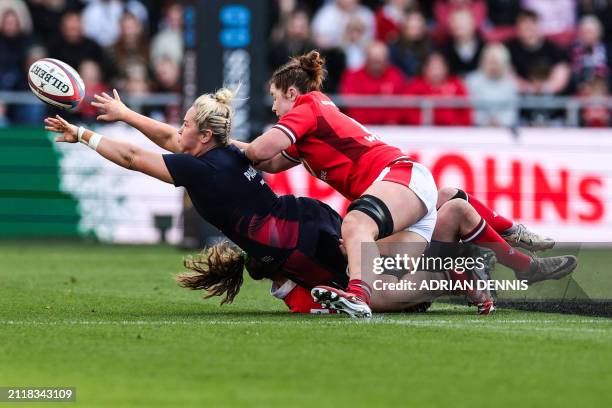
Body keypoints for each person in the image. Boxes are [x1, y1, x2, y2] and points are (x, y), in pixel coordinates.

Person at [241, 50, 572, 317]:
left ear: (292, 93)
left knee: (355, 225)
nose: (273, 107)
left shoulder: (306, 105)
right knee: (450, 206)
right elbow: (266, 162)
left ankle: (358, 295)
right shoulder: (306, 135)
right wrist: (219, 146)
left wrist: (215, 141)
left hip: (398, 176)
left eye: (274, 97)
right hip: (404, 184)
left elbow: (258, 150)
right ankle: (486, 269)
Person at [339, 41, 407, 124]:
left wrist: (391, 121)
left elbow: (401, 103)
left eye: (380, 60)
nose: (376, 64)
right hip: (360, 127)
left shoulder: (396, 76)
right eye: (373, 60)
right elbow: (350, 104)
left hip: (390, 128)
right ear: (366, 58)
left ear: (386, 60)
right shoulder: (352, 77)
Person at [404, 52, 473, 125]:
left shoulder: (456, 84)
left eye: (439, 67)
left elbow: (466, 112)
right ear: (424, 69)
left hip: (453, 132)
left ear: (446, 68)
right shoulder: (415, 86)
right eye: (433, 68)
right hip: (422, 132)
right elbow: (408, 112)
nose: (436, 72)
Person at [465, 43, 519, 127]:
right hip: (476, 129)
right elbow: (470, 109)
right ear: (483, 62)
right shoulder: (472, 81)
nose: (493, 66)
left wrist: (500, 122)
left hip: (504, 129)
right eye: (490, 62)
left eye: (496, 63)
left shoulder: (510, 83)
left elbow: (511, 112)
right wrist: (485, 122)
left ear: (504, 64)